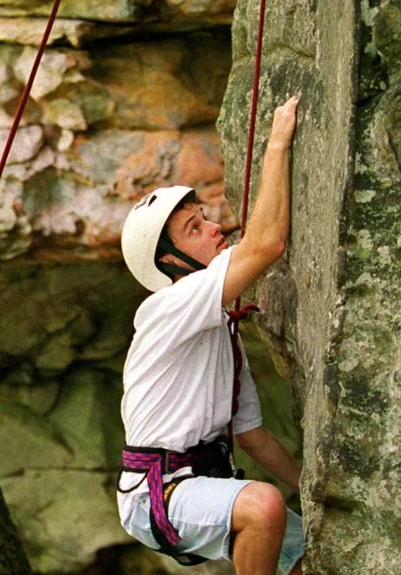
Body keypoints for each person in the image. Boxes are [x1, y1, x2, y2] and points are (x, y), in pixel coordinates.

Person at [117, 96, 303, 575]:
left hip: (195, 483)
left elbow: (252, 435)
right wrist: (278, 143)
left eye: (204, 217)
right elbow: (265, 244)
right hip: (157, 491)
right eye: (195, 228)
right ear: (170, 265)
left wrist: (312, 491)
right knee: (262, 507)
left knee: (311, 548)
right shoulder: (168, 306)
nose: (216, 228)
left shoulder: (221, 333)